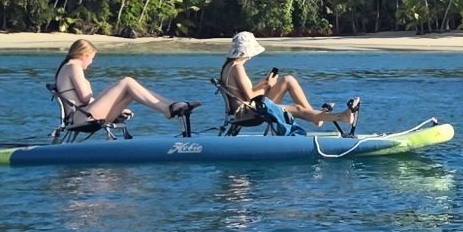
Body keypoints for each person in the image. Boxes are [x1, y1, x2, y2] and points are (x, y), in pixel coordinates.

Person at [219, 32, 360, 133]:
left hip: (249, 108)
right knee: (298, 110)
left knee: (288, 80)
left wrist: (264, 83)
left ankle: (316, 117)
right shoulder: (237, 67)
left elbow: (244, 93)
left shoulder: (229, 66)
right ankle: (341, 116)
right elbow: (249, 97)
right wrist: (268, 85)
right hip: (250, 113)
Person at [54, 38, 198, 127]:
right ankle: (167, 108)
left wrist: (117, 107)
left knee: (129, 93)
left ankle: (170, 105)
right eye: (91, 58)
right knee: (127, 82)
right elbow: (85, 98)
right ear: (84, 55)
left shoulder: (68, 67)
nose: (91, 62)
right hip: (81, 117)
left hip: (84, 114)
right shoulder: (74, 66)